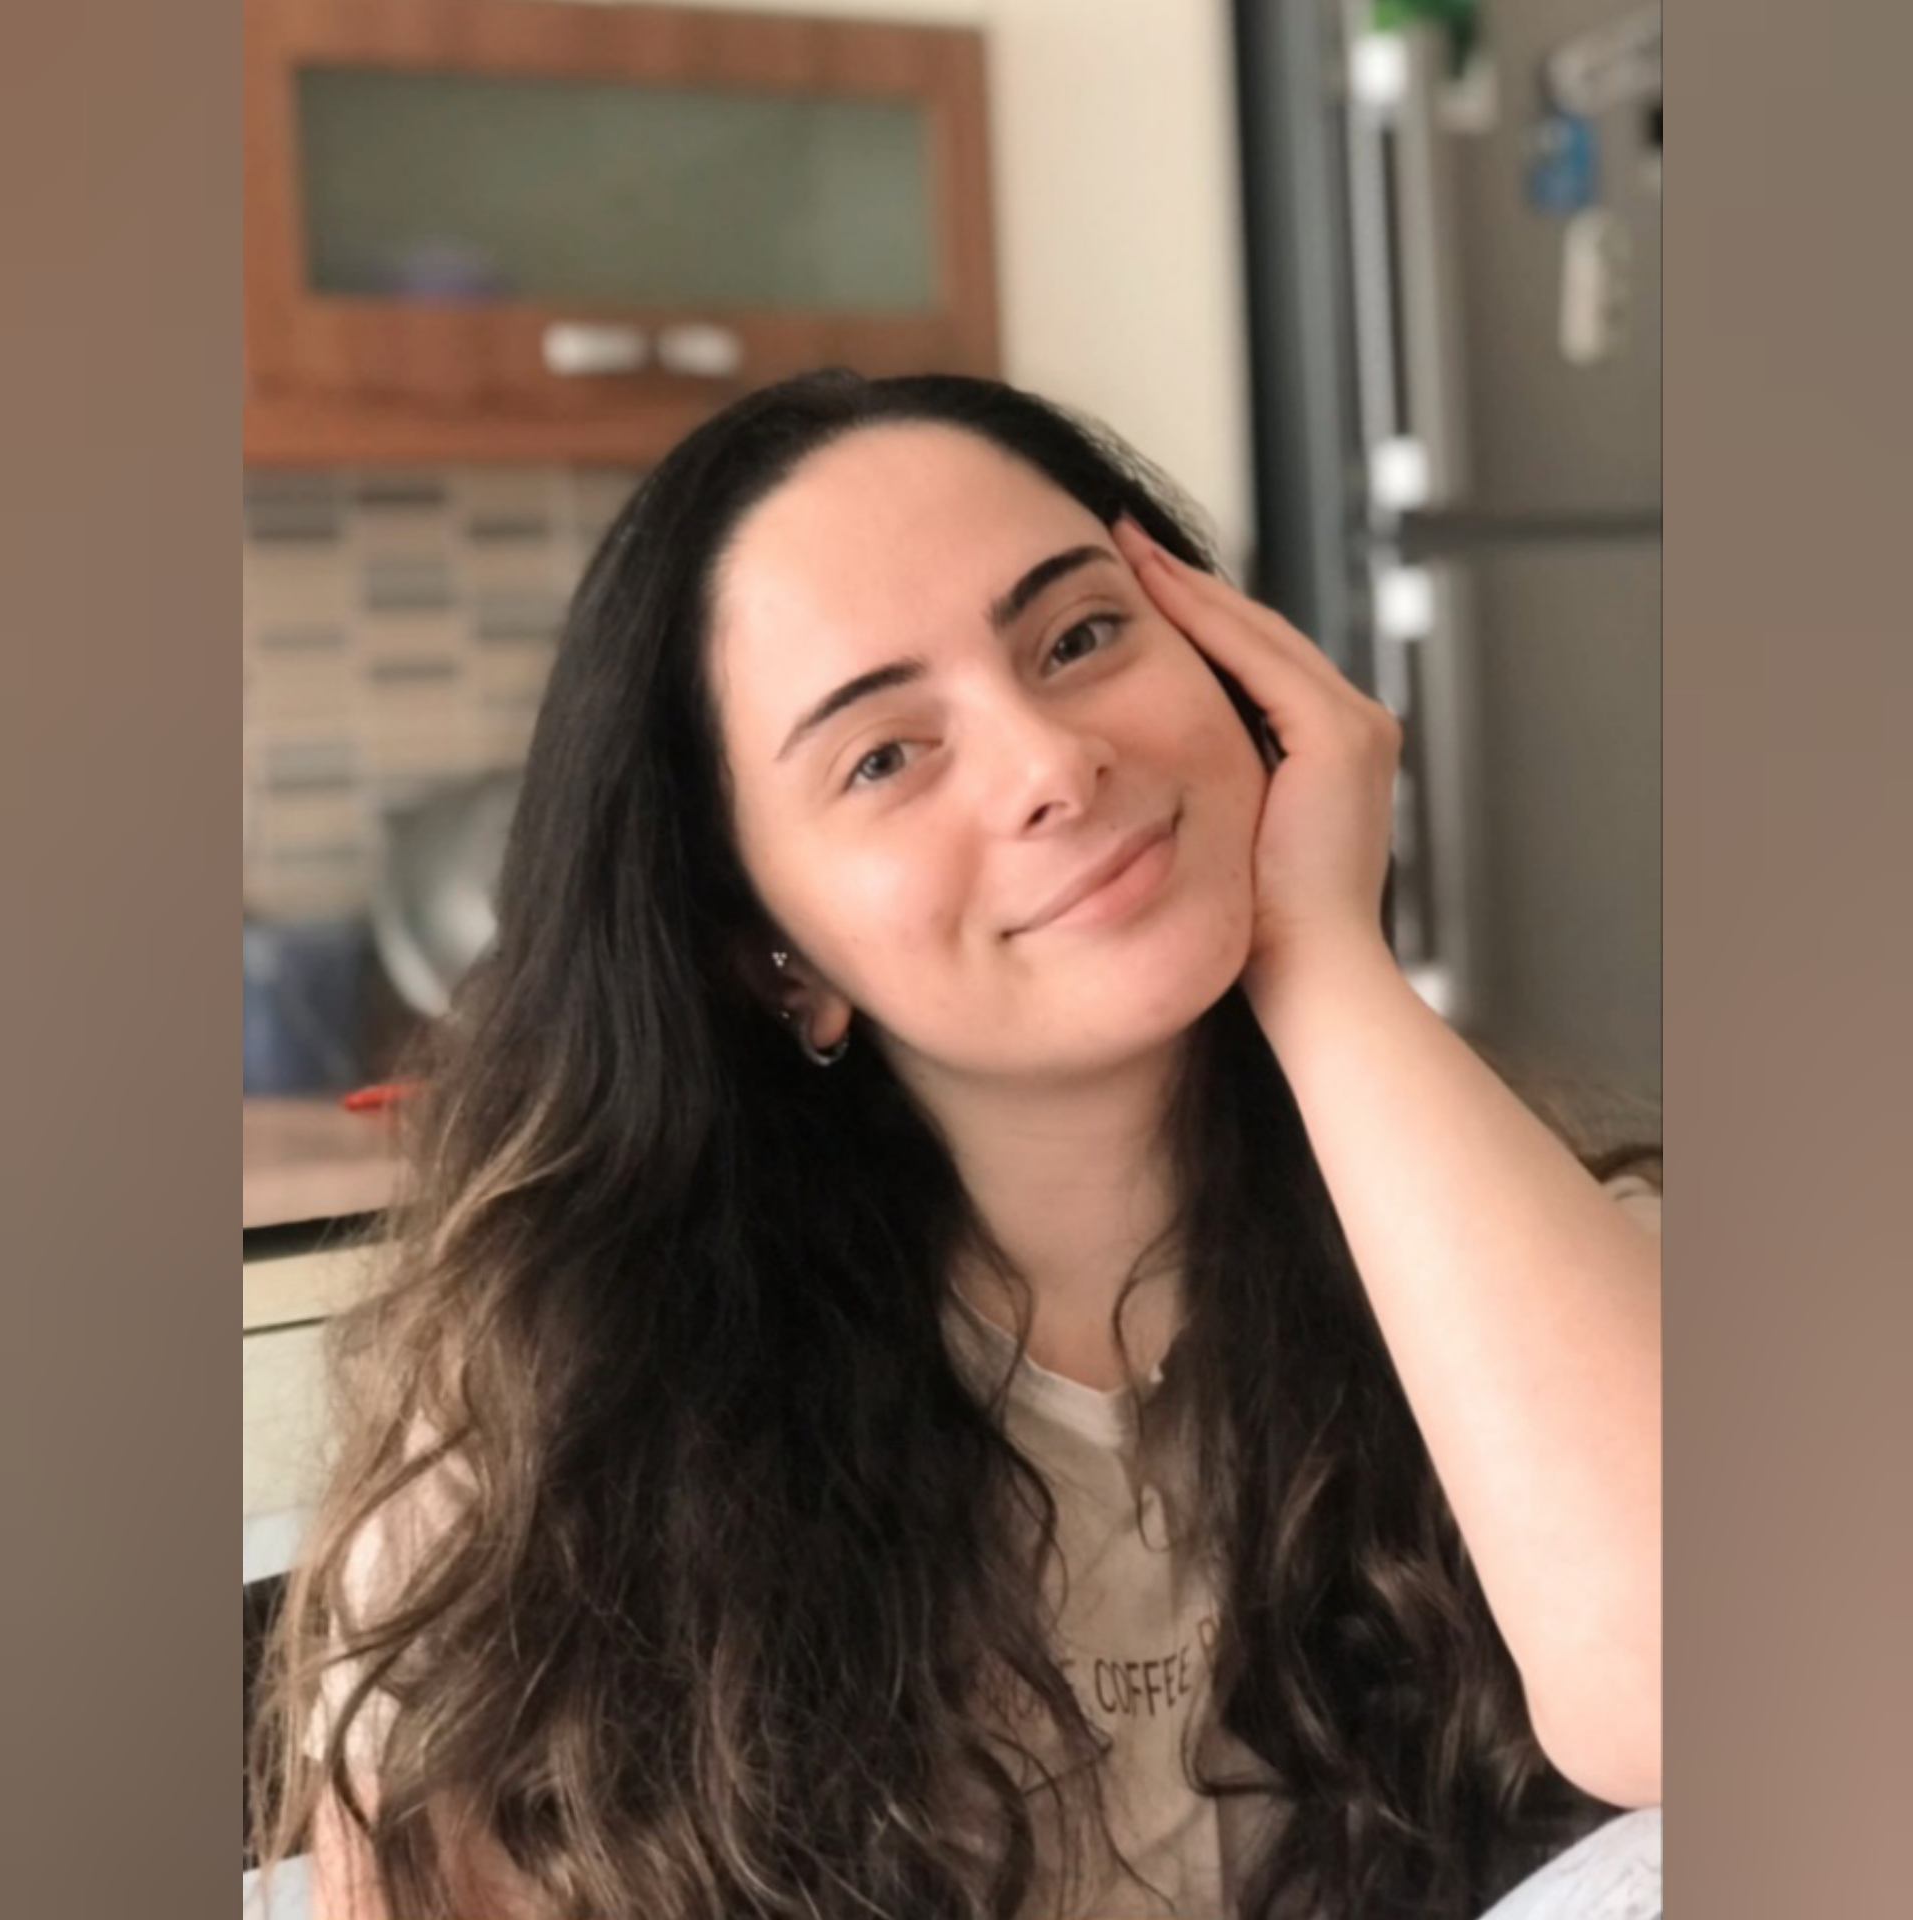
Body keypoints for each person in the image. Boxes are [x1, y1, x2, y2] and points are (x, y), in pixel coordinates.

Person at [252, 370, 1662, 1920]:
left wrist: (1324, 955)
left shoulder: (1543, 1255)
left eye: (1080, 637)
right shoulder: (541, 1469)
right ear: (770, 955)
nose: (1052, 765)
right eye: (883, 756)